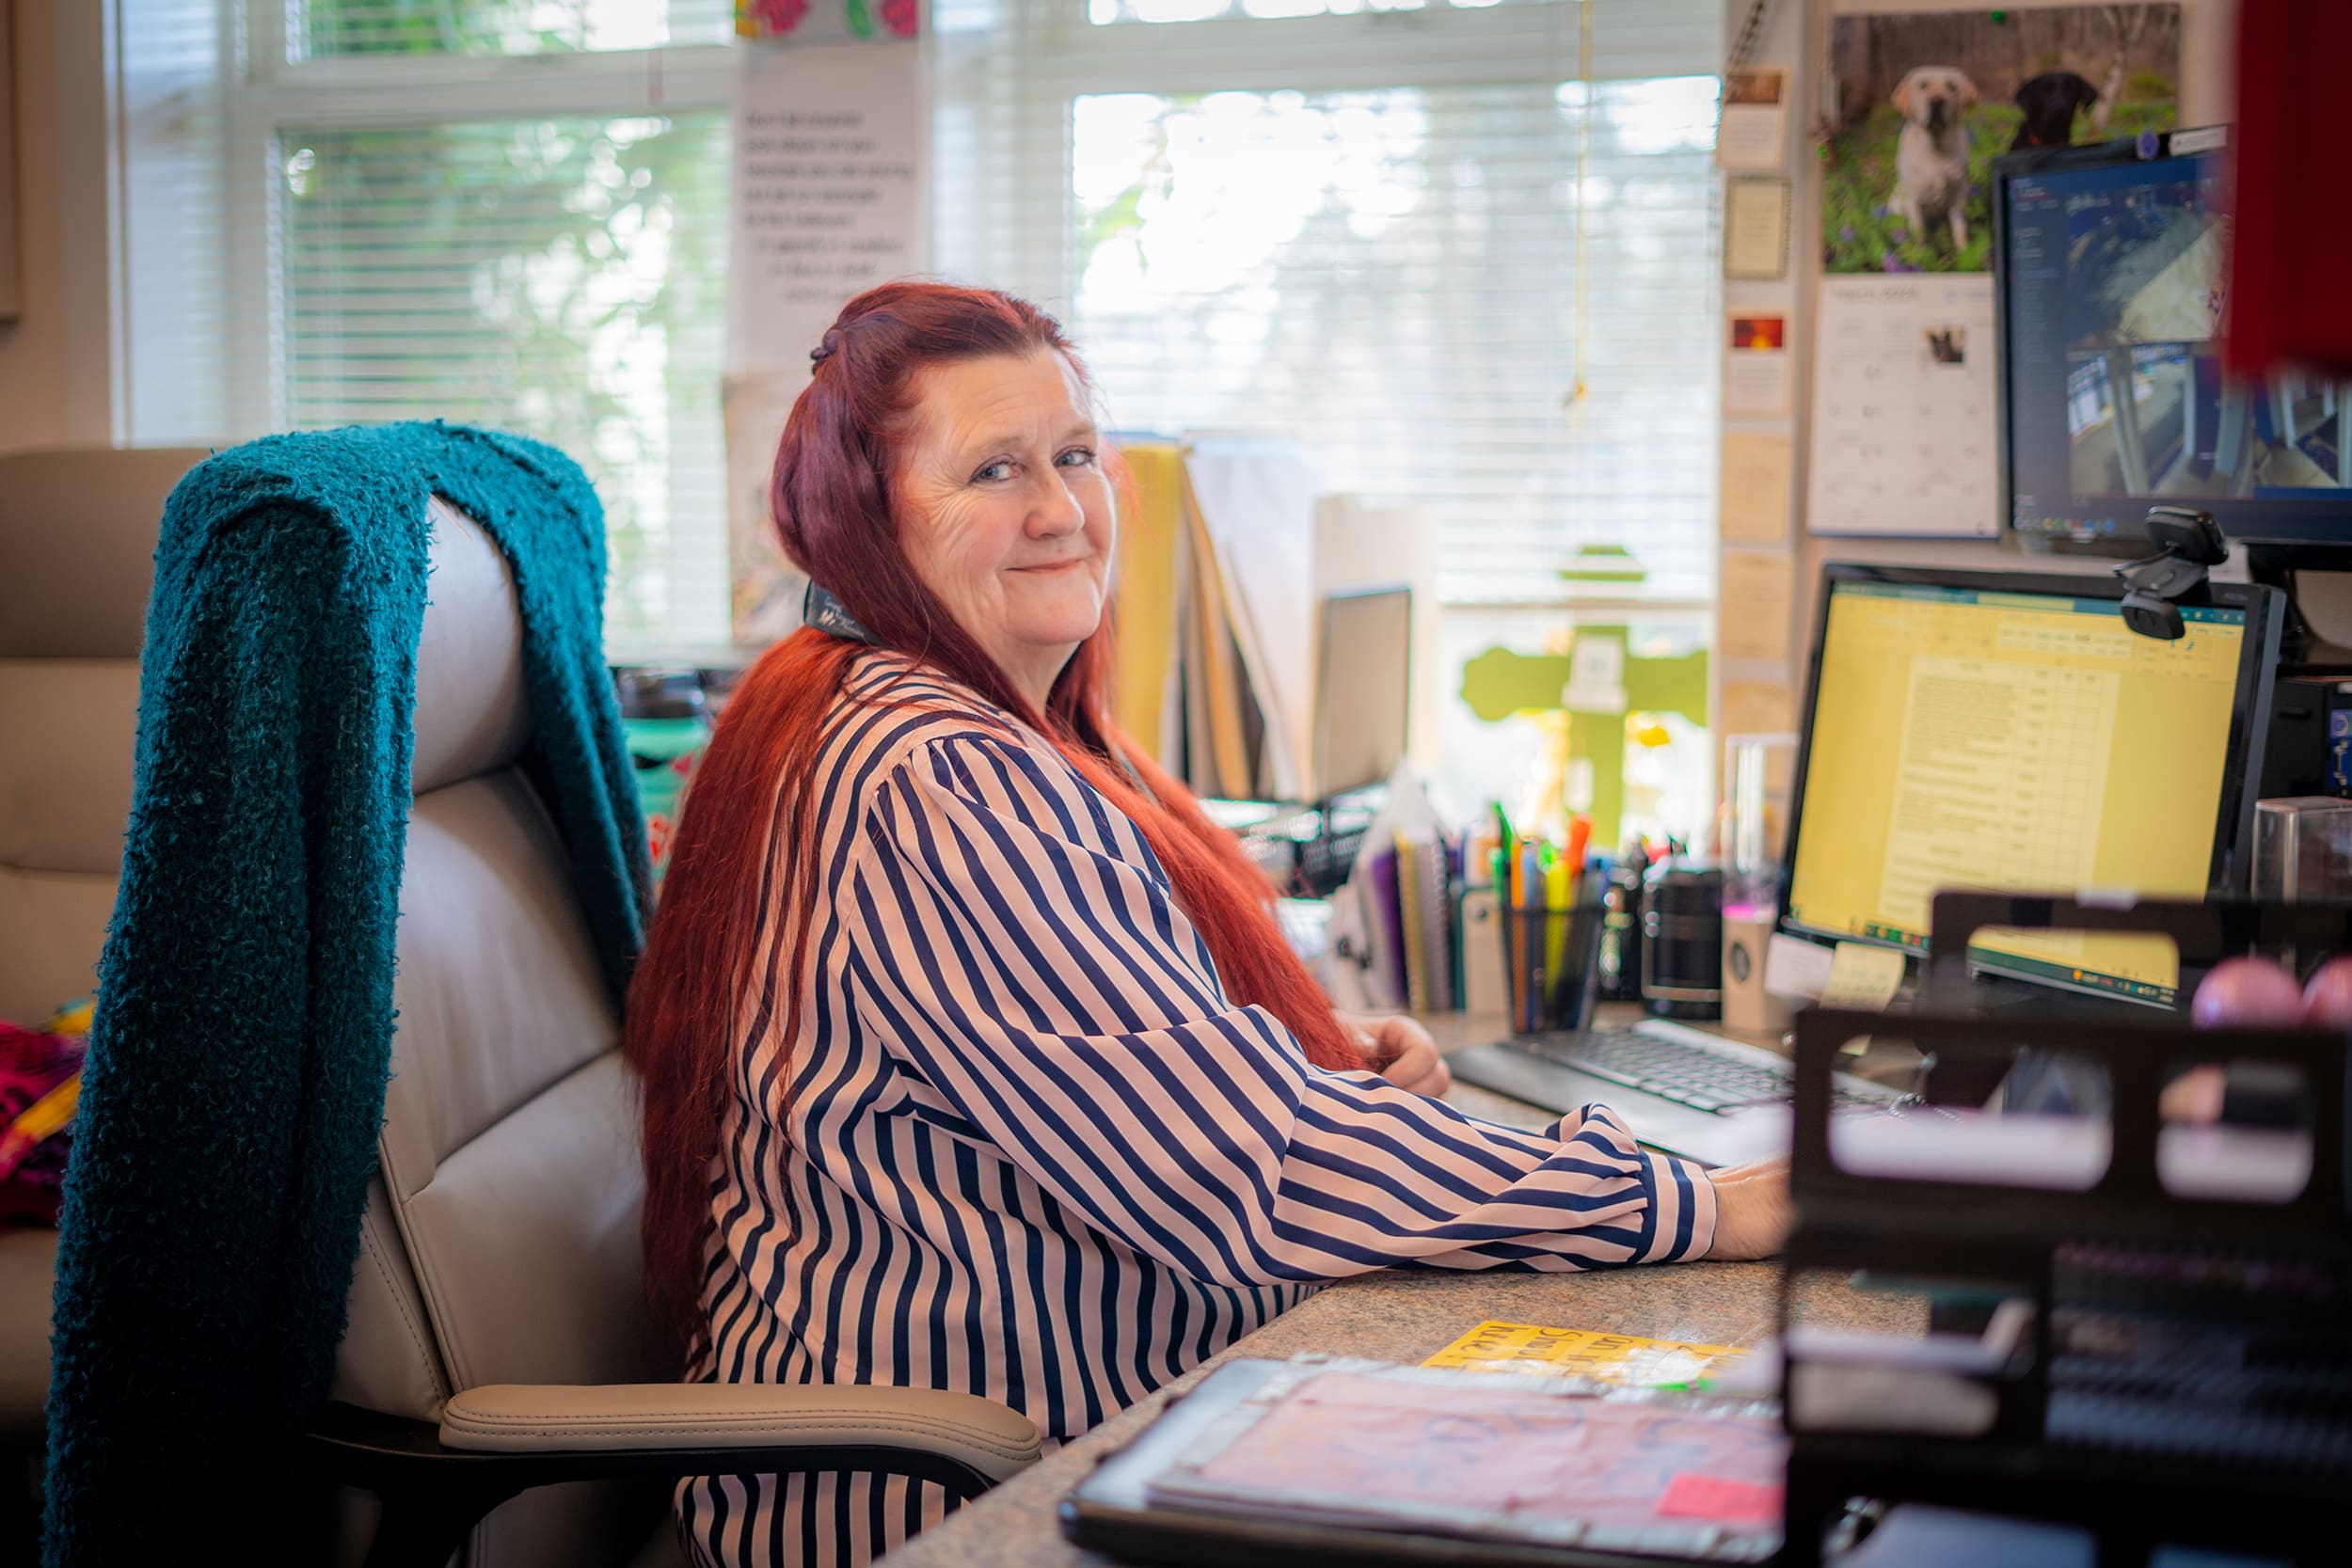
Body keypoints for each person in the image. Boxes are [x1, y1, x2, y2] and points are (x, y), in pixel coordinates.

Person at [624, 281, 1789, 1568]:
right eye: (994, 470)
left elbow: (1081, 1058)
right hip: (945, 1507)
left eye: (1075, 456)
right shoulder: (940, 778)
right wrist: (1701, 1206)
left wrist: (1299, 1048)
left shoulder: (894, 705)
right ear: (869, 520)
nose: (1061, 510)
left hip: (1056, 1426)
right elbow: (1252, 1168)